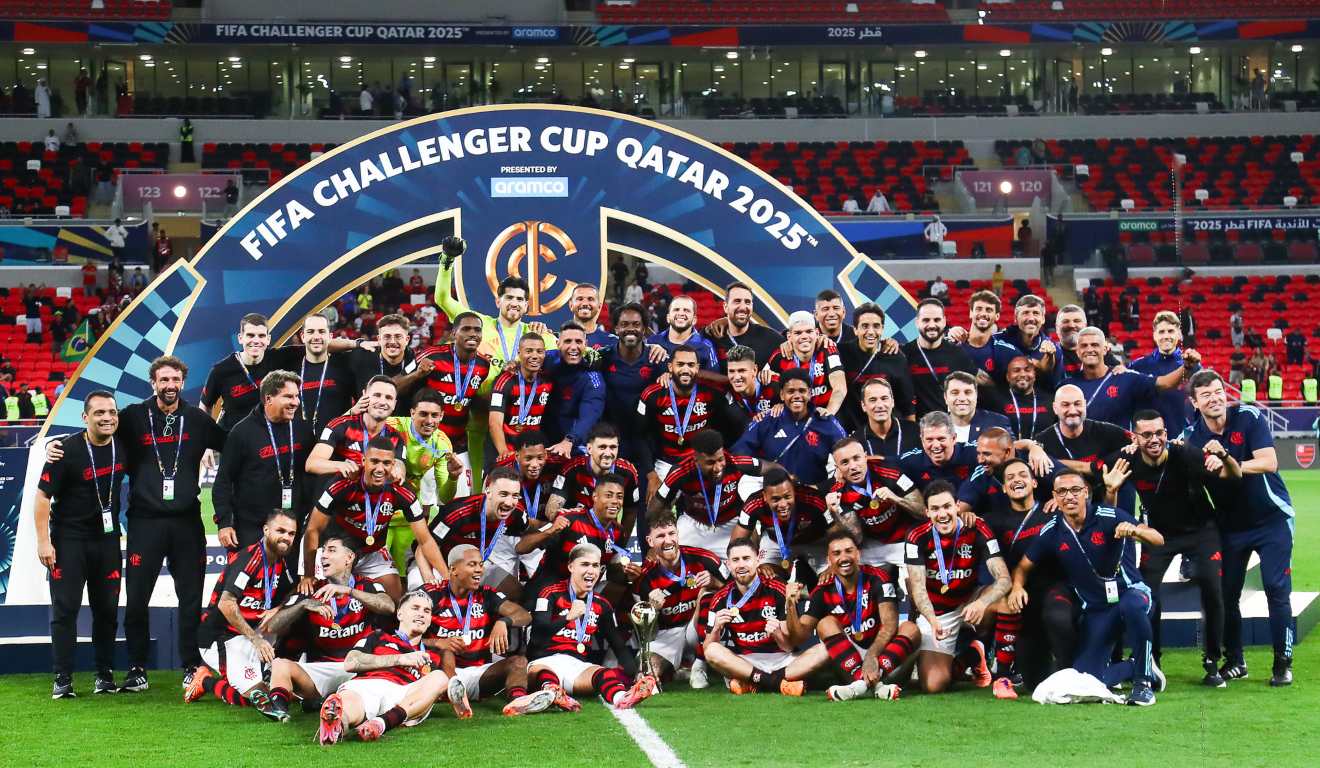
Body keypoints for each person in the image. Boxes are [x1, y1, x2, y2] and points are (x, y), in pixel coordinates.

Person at [74, 357, 222, 691]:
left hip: (186, 522)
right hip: (144, 522)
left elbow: (235, 445)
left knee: (190, 598)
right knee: (138, 598)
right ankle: (138, 668)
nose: (170, 385)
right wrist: (59, 446)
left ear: (183, 382)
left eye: (175, 379)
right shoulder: (132, 417)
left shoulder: (197, 420)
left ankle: (190, 665)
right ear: (152, 383)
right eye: (163, 380)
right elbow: (96, 435)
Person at [1102, 409, 1236, 686]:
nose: (1154, 439)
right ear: (1135, 437)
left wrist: (1221, 459)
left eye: (1159, 433)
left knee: (1212, 586)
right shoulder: (1125, 459)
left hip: (1201, 531)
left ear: (1166, 433)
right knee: (1147, 594)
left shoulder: (1185, 453)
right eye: (1146, 434)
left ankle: (1212, 661)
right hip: (1158, 535)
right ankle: (1152, 660)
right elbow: (1091, 476)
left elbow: (1231, 476)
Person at [1009, 470, 1166, 706]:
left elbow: (1157, 538)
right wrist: (1017, 587)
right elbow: (1022, 566)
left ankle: (1143, 685)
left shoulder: (1106, 514)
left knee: (1133, 606)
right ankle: (1140, 666)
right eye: (1062, 492)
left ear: (1086, 493)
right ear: (1054, 496)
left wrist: (1135, 531)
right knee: (1088, 679)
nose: (1069, 497)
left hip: (1132, 594)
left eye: (1075, 491)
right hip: (1097, 610)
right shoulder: (1052, 530)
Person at [1181, 371, 1295, 686]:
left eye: (1218, 392)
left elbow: (1269, 462)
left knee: (1276, 589)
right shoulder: (1192, 439)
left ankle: (1282, 663)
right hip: (1230, 527)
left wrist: (1229, 461)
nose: (1215, 398)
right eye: (1206, 395)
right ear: (1195, 402)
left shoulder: (1249, 417)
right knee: (1226, 595)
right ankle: (1236, 660)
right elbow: (1189, 490)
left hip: (1272, 519)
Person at [36, 391, 127, 698]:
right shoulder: (66, 450)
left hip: (108, 542)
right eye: (99, 413)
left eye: (111, 412)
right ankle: (62, 679)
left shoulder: (123, 444)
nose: (107, 418)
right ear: (85, 417)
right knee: (65, 610)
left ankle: (104, 676)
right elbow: (42, 497)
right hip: (69, 541)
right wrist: (43, 542)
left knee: (107, 611)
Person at [260, 535, 395, 722]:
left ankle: (325, 702)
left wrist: (349, 591)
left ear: (349, 558)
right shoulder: (311, 589)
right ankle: (278, 710)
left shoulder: (366, 585)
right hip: (322, 669)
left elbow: (388, 606)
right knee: (280, 665)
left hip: (360, 666)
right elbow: (272, 626)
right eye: (323, 551)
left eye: (331, 550)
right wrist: (303, 604)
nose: (323, 556)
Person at [316, 590, 471, 744]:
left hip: (405, 696)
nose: (421, 614)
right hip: (368, 684)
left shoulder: (434, 656)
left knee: (440, 678)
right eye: (415, 608)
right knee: (348, 703)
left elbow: (441, 688)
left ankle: (381, 723)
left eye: (427, 611)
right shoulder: (379, 636)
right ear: (400, 614)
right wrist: (400, 659)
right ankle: (336, 724)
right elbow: (351, 662)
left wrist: (458, 700)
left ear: (430, 620)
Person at [302, 437, 440, 601]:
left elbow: (425, 540)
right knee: (314, 597)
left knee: (396, 600)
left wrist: (446, 580)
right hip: (336, 551)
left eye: (386, 463)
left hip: (372, 553)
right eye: (374, 461)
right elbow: (313, 529)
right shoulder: (343, 483)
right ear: (363, 461)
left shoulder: (402, 490)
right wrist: (308, 574)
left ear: (393, 465)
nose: (380, 469)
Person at [420, 544, 550, 716]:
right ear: (453, 569)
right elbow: (404, 637)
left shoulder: (486, 594)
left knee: (519, 662)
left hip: (479, 674)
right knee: (446, 651)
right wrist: (438, 642)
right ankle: (456, 695)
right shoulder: (430, 595)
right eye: (472, 564)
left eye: (481, 565)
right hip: (440, 675)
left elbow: (524, 615)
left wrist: (503, 621)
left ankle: (518, 702)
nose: (479, 570)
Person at [186, 510, 299, 708]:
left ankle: (269, 670)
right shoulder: (249, 560)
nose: (286, 537)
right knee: (257, 697)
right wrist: (256, 640)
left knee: (294, 616)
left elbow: (294, 591)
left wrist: (278, 608)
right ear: (266, 530)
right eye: (280, 530)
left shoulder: (282, 561)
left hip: (250, 634)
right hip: (220, 637)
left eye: (291, 533)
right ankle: (206, 680)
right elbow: (226, 603)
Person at [904, 480, 1009, 693]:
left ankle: (1004, 673)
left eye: (947, 506)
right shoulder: (916, 537)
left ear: (957, 506)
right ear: (926, 512)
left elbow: (1004, 578)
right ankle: (969, 657)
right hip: (938, 610)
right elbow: (917, 587)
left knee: (1005, 601)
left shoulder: (977, 527)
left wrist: (981, 603)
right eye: (935, 509)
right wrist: (932, 620)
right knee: (933, 685)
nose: (942, 514)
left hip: (970, 599)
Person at [525, 544, 656, 711]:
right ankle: (553, 693)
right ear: (571, 566)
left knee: (604, 673)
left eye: (595, 565)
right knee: (545, 675)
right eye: (584, 564)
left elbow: (618, 645)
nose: (591, 571)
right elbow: (537, 637)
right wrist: (568, 617)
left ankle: (622, 698)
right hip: (542, 661)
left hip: (576, 666)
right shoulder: (550, 593)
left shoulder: (601, 604)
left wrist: (636, 674)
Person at [791, 529, 905, 701]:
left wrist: (872, 656)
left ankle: (859, 686)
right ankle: (875, 685)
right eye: (836, 553)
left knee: (911, 629)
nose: (844, 558)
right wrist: (790, 605)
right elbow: (799, 636)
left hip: (880, 652)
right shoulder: (822, 590)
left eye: (849, 551)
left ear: (858, 554)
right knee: (825, 624)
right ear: (829, 560)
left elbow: (890, 624)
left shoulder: (878, 578)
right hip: (849, 658)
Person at [698, 538, 815, 695]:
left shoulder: (777, 589)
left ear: (758, 559)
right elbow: (707, 650)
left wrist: (777, 633)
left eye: (746, 558)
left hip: (782, 660)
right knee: (713, 650)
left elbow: (788, 647)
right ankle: (778, 683)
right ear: (728, 564)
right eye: (735, 560)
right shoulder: (720, 598)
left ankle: (752, 683)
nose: (741, 565)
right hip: (745, 662)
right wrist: (716, 629)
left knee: (826, 650)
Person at [212, 370, 314, 549]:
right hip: (253, 528)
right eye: (288, 396)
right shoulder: (242, 432)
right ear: (268, 399)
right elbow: (223, 481)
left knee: (290, 578)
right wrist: (224, 523)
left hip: (293, 527)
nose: (295, 402)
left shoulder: (302, 430)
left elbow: (312, 476)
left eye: (297, 396)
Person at [632, 511, 725, 684]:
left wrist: (715, 582)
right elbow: (648, 635)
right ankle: (679, 669)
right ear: (650, 541)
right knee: (648, 668)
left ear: (678, 534)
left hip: (701, 627)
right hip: (669, 633)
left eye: (671, 533)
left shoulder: (704, 559)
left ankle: (699, 667)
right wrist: (654, 611)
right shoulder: (644, 580)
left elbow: (736, 593)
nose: (668, 540)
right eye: (660, 536)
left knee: (708, 595)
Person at [648, 428, 764, 555]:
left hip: (732, 524)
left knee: (749, 558)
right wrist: (654, 544)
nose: (718, 468)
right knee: (667, 556)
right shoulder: (680, 472)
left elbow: (773, 470)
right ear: (697, 460)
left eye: (720, 459)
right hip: (693, 525)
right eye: (710, 462)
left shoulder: (736, 463)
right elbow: (654, 509)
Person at [411, 311, 490, 495]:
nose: (473, 334)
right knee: (425, 504)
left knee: (456, 499)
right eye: (466, 329)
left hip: (457, 445)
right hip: (426, 444)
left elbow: (470, 398)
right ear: (454, 333)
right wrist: (417, 374)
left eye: (477, 330)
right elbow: (396, 385)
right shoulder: (431, 356)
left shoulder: (483, 366)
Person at [1068, 326, 1198, 428]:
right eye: (1084, 346)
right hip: (1083, 456)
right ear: (1077, 351)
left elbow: (1165, 383)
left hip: (1120, 458)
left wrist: (1186, 367)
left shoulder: (1125, 377)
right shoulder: (1067, 387)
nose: (1090, 349)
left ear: (1105, 349)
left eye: (1095, 345)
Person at [733, 369, 846, 486]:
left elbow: (847, 453)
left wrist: (823, 488)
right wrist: (766, 467)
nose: (797, 396)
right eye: (791, 391)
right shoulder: (767, 420)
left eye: (802, 391)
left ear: (810, 393)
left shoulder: (825, 421)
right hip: (778, 498)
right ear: (782, 395)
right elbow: (737, 455)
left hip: (815, 495)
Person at [638, 345, 723, 486]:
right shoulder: (652, 395)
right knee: (653, 505)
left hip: (700, 461)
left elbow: (726, 428)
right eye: (680, 364)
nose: (685, 370)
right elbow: (639, 436)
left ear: (697, 368)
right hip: (664, 462)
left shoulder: (711, 393)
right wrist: (651, 474)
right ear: (670, 367)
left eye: (691, 365)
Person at [730, 467, 833, 580]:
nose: (783, 504)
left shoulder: (814, 498)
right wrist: (755, 564)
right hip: (775, 542)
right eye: (776, 499)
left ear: (794, 490)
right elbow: (736, 546)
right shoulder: (753, 504)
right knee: (765, 577)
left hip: (813, 542)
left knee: (832, 577)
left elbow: (837, 533)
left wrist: (835, 561)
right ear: (764, 496)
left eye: (787, 496)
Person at [838, 303, 914, 432]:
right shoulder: (841, 353)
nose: (871, 332)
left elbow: (907, 405)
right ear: (855, 329)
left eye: (876, 326)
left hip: (888, 434)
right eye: (865, 326)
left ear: (882, 328)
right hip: (852, 434)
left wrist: (912, 435)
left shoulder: (895, 357)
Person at [764, 310, 847, 417]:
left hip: (824, 412)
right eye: (798, 333)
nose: (804, 336)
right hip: (795, 416)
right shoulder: (778, 357)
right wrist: (778, 404)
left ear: (817, 333)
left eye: (809, 331)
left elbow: (840, 388)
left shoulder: (828, 349)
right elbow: (764, 382)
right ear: (789, 336)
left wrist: (829, 413)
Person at [202, 313, 275, 432]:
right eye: (250, 335)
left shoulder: (278, 358)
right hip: (230, 440)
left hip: (265, 438)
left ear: (268, 339)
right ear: (240, 338)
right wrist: (207, 442)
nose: (256, 340)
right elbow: (205, 406)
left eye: (261, 336)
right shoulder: (220, 370)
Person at [903, 299, 977, 415]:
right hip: (916, 427)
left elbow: (980, 382)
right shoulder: (904, 354)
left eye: (937, 320)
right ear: (917, 322)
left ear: (944, 321)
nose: (932, 325)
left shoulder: (957, 353)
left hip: (950, 425)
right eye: (926, 320)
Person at [1129, 311, 1197, 436]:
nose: (1166, 336)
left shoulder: (1193, 365)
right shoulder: (1138, 366)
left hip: (1184, 439)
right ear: (1154, 336)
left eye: (1170, 331)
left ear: (1179, 334)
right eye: (1161, 332)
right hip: (1149, 440)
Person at [543, 322, 605, 459]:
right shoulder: (546, 360)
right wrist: (515, 364)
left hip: (574, 446)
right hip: (542, 444)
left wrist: (570, 440)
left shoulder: (592, 376)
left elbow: (590, 414)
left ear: (586, 344)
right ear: (558, 343)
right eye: (567, 341)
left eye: (578, 342)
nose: (573, 347)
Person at [488, 332, 553, 459]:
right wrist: (504, 452)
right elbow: (494, 422)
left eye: (539, 351)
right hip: (508, 448)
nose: (535, 356)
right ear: (519, 353)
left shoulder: (548, 381)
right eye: (529, 351)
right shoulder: (504, 381)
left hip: (534, 452)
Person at [704, 281, 784, 369]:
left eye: (747, 302)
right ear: (725, 307)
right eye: (737, 301)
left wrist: (788, 343)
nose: (743, 307)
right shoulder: (711, 334)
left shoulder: (768, 337)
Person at [898, 411, 978, 493]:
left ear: (954, 438)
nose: (936, 445)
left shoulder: (976, 453)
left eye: (941, 439)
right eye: (929, 440)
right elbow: (889, 467)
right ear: (922, 440)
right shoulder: (910, 461)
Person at [647, 294, 719, 371]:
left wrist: (676, 376)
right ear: (668, 318)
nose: (681, 313)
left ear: (694, 320)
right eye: (676, 309)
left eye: (686, 310)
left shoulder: (705, 346)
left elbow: (714, 378)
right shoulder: (653, 342)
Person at [852, 378, 919, 459]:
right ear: (863, 406)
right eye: (873, 400)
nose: (880, 405)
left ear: (892, 402)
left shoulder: (916, 432)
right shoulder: (855, 442)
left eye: (884, 398)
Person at [943, 371, 1011, 445]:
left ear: (976, 395)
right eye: (955, 393)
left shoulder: (998, 423)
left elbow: (1011, 453)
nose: (962, 398)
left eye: (968, 392)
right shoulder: (933, 426)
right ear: (945, 397)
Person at [1001, 355, 1055, 439]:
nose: (1022, 374)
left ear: (1034, 375)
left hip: (1042, 450)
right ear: (1008, 377)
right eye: (1016, 370)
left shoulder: (1050, 400)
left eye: (1027, 370)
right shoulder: (997, 399)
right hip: (1010, 450)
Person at [566, 283, 616, 350]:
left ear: (599, 306)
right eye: (580, 299)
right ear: (571, 304)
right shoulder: (557, 340)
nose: (585, 303)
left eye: (590, 299)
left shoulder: (614, 342)